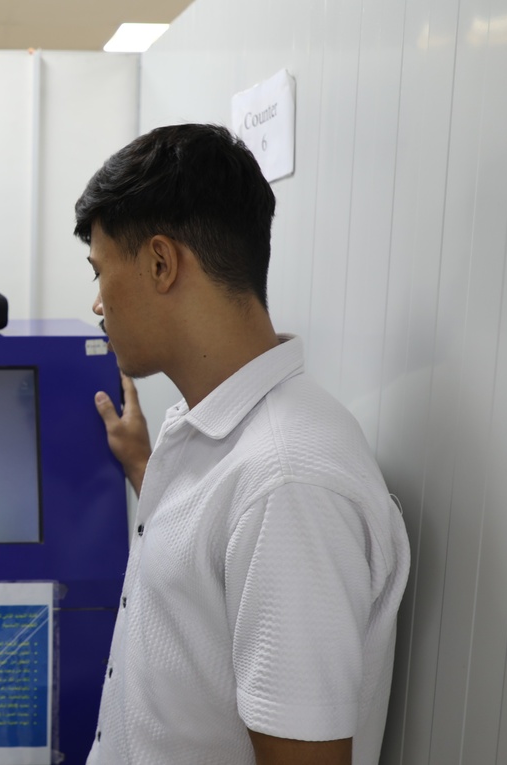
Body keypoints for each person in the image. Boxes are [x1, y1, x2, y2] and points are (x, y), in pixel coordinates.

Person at [77, 124, 410, 765]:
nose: (97, 304)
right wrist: (145, 465)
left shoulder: (287, 484)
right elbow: (211, 567)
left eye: (100, 272)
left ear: (160, 263)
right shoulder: (221, 434)